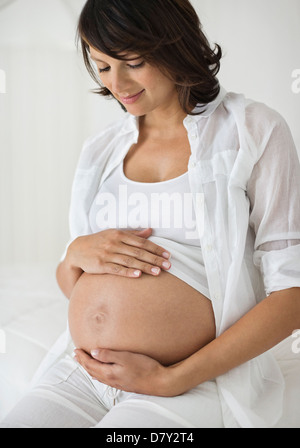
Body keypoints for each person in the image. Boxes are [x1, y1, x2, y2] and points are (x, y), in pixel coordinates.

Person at [1, 0, 300, 428]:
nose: (116, 84)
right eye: (102, 67)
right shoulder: (101, 150)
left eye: (133, 62)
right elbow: (74, 281)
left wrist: (173, 377)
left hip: (190, 379)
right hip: (84, 373)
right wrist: (74, 255)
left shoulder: (252, 129)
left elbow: (292, 294)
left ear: (176, 45)